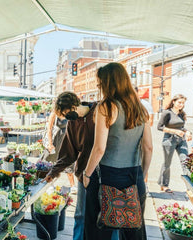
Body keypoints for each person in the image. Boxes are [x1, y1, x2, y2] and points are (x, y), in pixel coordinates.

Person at [83, 62, 152, 240]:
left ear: (108, 83)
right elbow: (148, 147)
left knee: (97, 230)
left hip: (107, 175)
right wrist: (143, 174)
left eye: (100, 82)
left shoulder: (106, 107)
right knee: (134, 230)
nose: (98, 86)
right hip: (134, 176)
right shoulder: (140, 108)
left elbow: (99, 148)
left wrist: (86, 173)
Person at [44, 94, 97, 240]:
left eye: (65, 114)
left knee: (101, 216)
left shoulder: (99, 112)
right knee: (80, 214)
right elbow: (68, 153)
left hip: (103, 173)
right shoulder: (72, 123)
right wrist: (53, 172)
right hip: (82, 174)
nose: (65, 119)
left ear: (73, 107)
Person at [42, 92, 78, 193]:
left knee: (69, 162)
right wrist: (50, 143)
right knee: (53, 160)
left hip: (66, 138)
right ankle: (51, 184)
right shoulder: (55, 113)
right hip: (57, 139)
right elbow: (49, 128)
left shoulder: (73, 115)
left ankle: (72, 185)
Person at [157, 94, 191, 193]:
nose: (181, 104)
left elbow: (181, 127)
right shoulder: (167, 113)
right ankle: (164, 185)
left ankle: (189, 187)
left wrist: (187, 132)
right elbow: (159, 127)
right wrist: (175, 131)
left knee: (186, 162)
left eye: (183, 103)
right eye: (179, 102)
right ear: (174, 102)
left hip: (181, 140)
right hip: (169, 140)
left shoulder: (182, 114)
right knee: (167, 163)